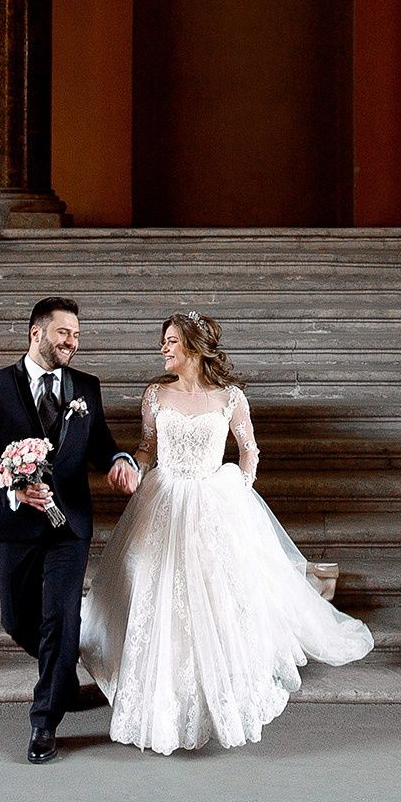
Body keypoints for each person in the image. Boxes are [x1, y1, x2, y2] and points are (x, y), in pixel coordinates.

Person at [80, 311, 373, 754]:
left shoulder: (230, 397)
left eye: (172, 341)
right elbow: (146, 446)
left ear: (195, 348)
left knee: (216, 597)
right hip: (164, 501)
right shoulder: (155, 394)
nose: (164, 348)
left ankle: (220, 691)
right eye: (164, 341)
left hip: (214, 502)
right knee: (157, 593)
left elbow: (249, 450)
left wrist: (238, 489)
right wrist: (133, 468)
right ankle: (161, 701)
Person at [0, 296, 140, 764]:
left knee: (61, 617)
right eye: (64, 333)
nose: (72, 343)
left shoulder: (86, 387)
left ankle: (44, 724)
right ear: (36, 332)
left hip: (69, 526)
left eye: (77, 335)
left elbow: (101, 445)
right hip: (14, 524)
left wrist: (119, 461)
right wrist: (11, 493)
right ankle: (63, 680)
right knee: (17, 621)